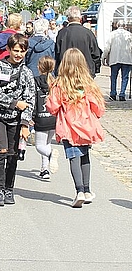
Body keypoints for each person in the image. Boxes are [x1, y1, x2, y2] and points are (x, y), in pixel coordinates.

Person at [46, 48, 105, 208]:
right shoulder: (88, 84)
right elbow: (99, 108)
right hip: (86, 127)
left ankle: (78, 190)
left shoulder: (59, 84)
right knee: (85, 157)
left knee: (74, 158)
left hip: (69, 127)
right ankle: (87, 190)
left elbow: (52, 107)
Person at [0, 33, 35, 206]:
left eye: (22, 51)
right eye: (15, 50)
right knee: (1, 151)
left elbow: (30, 101)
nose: (18, 54)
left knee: (13, 154)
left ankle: (9, 188)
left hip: (16, 120)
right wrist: (15, 103)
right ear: (8, 49)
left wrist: (25, 124)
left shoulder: (27, 73)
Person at [55, 6, 102, 77]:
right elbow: (96, 54)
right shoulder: (88, 33)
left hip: (66, 72)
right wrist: (95, 69)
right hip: (85, 72)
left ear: (68, 18)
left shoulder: (62, 33)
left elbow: (57, 53)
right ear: (80, 18)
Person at [33, 56, 59, 181]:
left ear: (39, 67)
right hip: (53, 118)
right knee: (47, 143)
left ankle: (50, 154)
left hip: (41, 117)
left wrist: (31, 116)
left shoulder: (35, 81)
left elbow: (32, 99)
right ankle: (45, 169)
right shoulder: (55, 83)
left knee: (39, 146)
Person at [102, 20, 132, 101]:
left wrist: (103, 57)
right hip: (127, 59)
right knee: (125, 77)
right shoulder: (129, 35)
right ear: (124, 26)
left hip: (115, 59)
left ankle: (113, 93)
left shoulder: (112, 34)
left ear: (117, 25)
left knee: (113, 77)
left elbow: (107, 47)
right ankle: (122, 94)